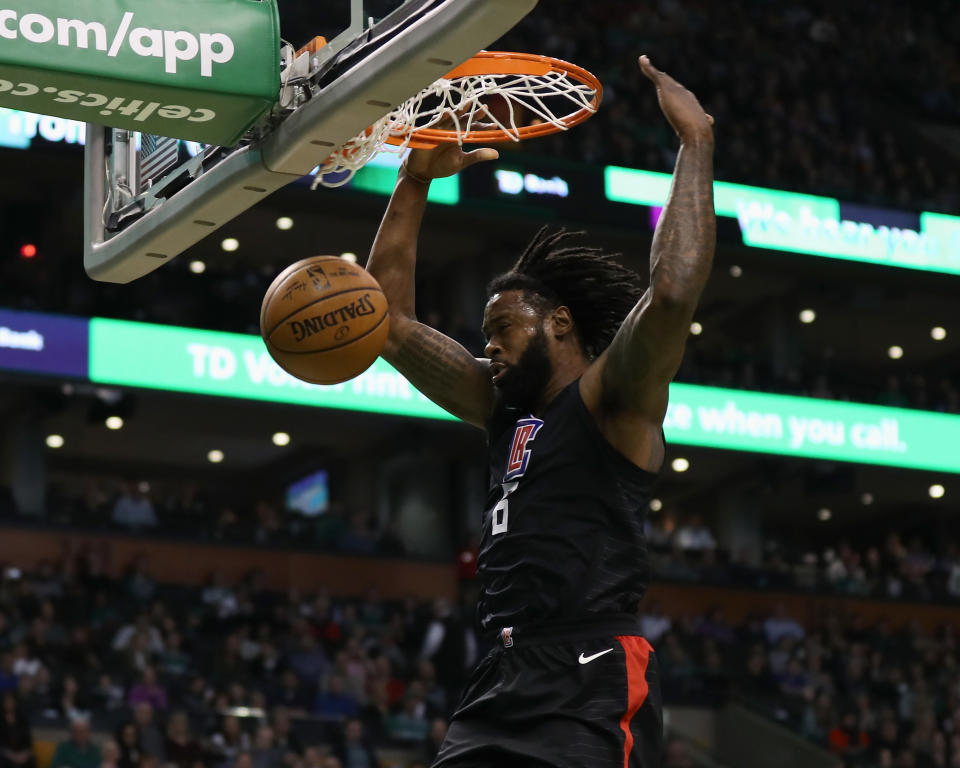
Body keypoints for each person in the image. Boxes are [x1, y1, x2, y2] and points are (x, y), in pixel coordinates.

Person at [367, 55, 715, 768]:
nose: (486, 347)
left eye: (502, 331)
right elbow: (388, 320)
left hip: (587, 673)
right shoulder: (503, 410)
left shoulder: (614, 399)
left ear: (558, 324)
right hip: (500, 677)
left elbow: (673, 292)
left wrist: (696, 145)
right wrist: (412, 181)